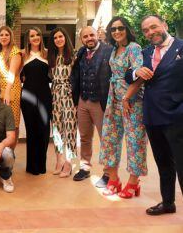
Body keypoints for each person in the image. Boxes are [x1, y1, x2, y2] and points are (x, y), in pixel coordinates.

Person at [124, 15, 183, 215]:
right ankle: (168, 203)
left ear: (164, 25)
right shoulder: (146, 52)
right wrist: (136, 72)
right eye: (146, 30)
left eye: (154, 27)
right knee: (163, 162)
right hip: (152, 116)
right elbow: (127, 75)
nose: (150, 32)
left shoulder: (181, 48)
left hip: (177, 117)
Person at [99, 17, 147, 198]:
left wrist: (127, 97)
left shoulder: (133, 48)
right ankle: (113, 178)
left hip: (132, 99)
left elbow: (140, 75)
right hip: (114, 98)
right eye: (113, 29)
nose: (117, 32)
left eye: (120, 28)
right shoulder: (114, 49)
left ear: (127, 29)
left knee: (135, 140)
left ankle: (134, 182)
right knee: (110, 136)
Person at [70, 26, 112, 187]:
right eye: (85, 36)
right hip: (83, 100)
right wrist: (76, 100)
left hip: (101, 102)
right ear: (82, 39)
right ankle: (85, 168)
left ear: (97, 35)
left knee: (105, 138)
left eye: (91, 35)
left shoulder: (108, 51)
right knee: (85, 137)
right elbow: (75, 75)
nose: (89, 38)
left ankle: (108, 173)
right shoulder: (81, 52)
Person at [20, 27, 52, 175]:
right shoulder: (22, 54)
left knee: (44, 131)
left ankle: (41, 165)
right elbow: (11, 69)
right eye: (32, 35)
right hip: (28, 97)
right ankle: (32, 166)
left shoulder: (48, 53)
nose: (35, 37)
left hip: (45, 96)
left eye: (37, 34)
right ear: (28, 39)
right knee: (31, 131)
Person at [47, 27, 77, 178]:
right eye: (55, 38)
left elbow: (78, 78)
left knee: (70, 129)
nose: (58, 39)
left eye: (61, 36)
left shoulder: (73, 55)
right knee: (57, 129)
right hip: (55, 94)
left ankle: (69, 163)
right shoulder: (51, 57)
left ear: (65, 38)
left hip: (69, 94)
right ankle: (59, 160)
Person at [0, 26, 22, 139]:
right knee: (2, 121)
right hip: (0, 88)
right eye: (1, 35)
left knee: (13, 123)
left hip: (11, 88)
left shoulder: (15, 51)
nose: (4, 37)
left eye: (6, 34)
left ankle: (11, 151)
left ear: (11, 36)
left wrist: (7, 92)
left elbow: (12, 73)